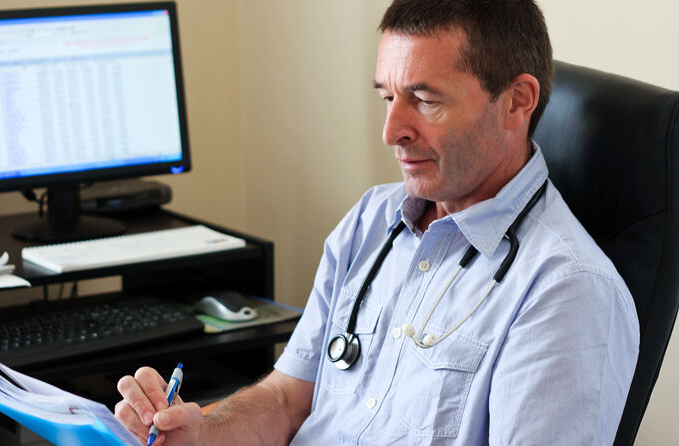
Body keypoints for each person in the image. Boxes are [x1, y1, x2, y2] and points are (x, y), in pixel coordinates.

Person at [115, 0, 639, 444]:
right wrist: (198, 432)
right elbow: (286, 399)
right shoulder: (372, 219)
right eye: (388, 97)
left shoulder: (566, 289)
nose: (391, 131)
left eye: (425, 100)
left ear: (516, 102)